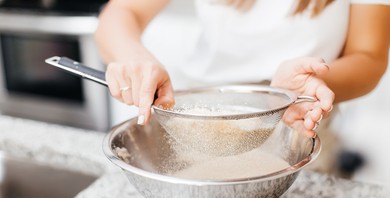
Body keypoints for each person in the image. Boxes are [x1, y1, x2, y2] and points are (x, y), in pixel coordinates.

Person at [94, 0, 389, 140]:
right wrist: (135, 57)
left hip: (298, 121)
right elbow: (123, 12)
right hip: (198, 117)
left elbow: (369, 56)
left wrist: (309, 84)